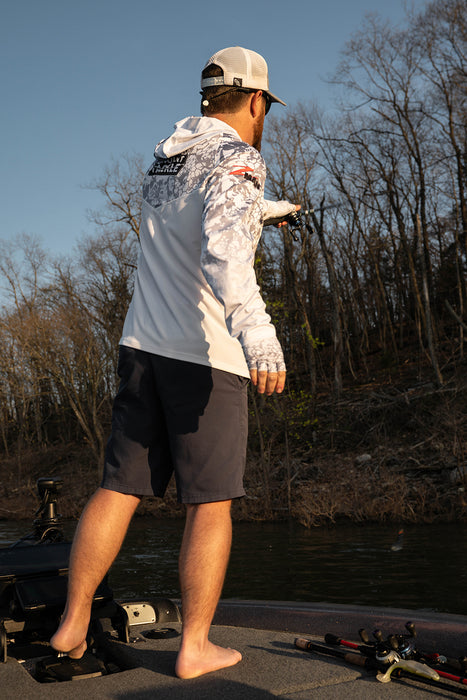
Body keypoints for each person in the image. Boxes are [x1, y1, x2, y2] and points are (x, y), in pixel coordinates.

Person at [50, 45, 298, 679]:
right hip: (204, 357)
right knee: (210, 504)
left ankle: (72, 623)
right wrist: (260, 336)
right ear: (255, 101)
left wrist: (267, 209)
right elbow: (224, 254)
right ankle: (195, 647)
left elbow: (196, 218)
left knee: (118, 488)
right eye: (266, 106)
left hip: (141, 349)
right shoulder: (241, 158)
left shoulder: (168, 158)